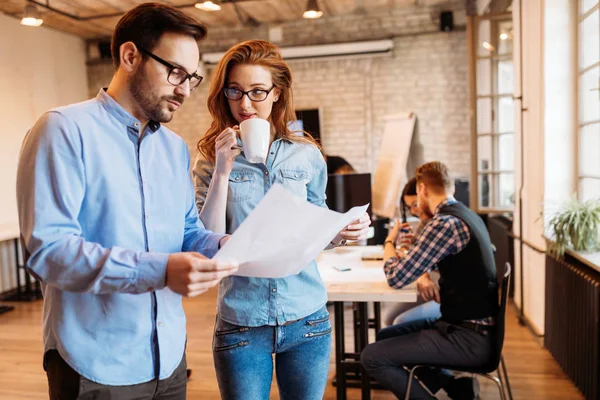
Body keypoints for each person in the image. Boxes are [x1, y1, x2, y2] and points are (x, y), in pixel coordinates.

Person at [16, 4, 238, 399]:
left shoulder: (173, 149)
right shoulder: (63, 130)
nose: (186, 90)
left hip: (169, 358)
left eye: (192, 78)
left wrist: (222, 246)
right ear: (130, 56)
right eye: (176, 73)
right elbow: (49, 251)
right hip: (94, 362)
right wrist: (161, 271)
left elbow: (186, 230)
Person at [193, 39, 371, 400]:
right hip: (241, 321)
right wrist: (224, 171)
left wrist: (343, 231)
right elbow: (206, 240)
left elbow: (314, 229)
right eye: (235, 91)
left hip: (306, 316)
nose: (245, 104)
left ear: (277, 93)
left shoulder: (306, 156)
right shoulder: (210, 160)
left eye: (257, 92)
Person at [361, 161, 499, 400]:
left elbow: (396, 277)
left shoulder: (445, 223)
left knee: (372, 356)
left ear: (422, 189)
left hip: (468, 337)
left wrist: (389, 243)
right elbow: (432, 262)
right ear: (451, 188)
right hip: (473, 328)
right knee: (386, 336)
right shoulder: (466, 215)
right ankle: (455, 386)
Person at [382, 178, 441, 328]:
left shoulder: (440, 225)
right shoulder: (424, 224)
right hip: (433, 288)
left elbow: (396, 277)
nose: (414, 211)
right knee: (389, 318)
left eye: (415, 204)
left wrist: (390, 241)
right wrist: (412, 246)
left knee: (398, 322)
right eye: (410, 207)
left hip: (444, 294)